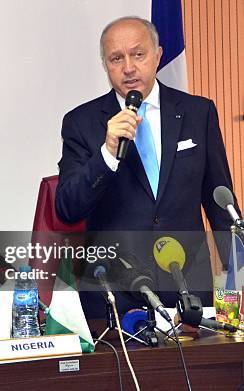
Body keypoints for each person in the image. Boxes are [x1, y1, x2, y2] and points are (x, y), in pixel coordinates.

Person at [55, 16, 239, 318]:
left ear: (158, 55)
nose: (128, 67)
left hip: (189, 285)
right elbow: (67, 208)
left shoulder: (198, 112)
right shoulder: (81, 123)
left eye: (138, 54)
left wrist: (238, 277)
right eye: (116, 58)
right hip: (114, 292)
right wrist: (107, 153)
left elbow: (221, 204)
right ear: (106, 65)